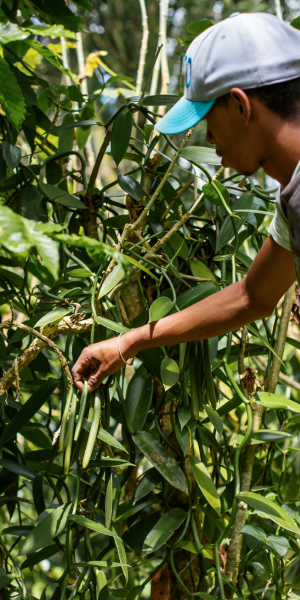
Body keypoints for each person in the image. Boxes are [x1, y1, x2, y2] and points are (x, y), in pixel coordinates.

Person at [72, 12, 299, 393]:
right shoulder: (291, 196)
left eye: (209, 118)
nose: (208, 139)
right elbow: (252, 296)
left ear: (242, 106)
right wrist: (127, 342)